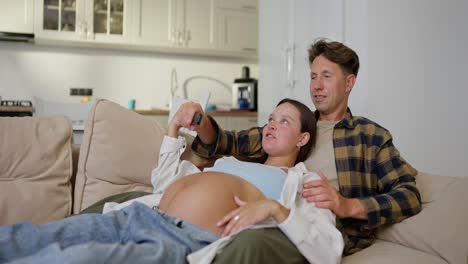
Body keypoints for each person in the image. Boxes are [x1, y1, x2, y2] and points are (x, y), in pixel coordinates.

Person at [0, 99, 344, 264]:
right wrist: (172, 130)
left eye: (283, 122)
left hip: (185, 240)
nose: (270, 125)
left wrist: (272, 208)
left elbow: (328, 249)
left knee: (75, 259)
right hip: (137, 215)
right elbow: (164, 181)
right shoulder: (230, 162)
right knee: (30, 236)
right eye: (270, 119)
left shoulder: (303, 182)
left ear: (302, 139)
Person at [179, 38, 422, 262]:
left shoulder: (370, 137)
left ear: (349, 82)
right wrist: (201, 121)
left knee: (247, 242)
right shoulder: (292, 125)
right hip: (268, 217)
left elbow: (409, 195)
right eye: (313, 76)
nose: (316, 85)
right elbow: (224, 142)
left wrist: (346, 206)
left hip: (316, 231)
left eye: (326, 76)